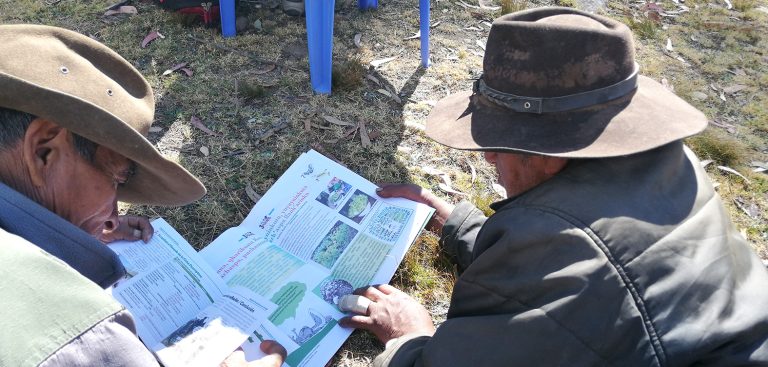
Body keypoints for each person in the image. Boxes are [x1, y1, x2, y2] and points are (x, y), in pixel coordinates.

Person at [339, 7, 768, 366]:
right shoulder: (671, 164)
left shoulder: (572, 255)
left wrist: (409, 337)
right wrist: (461, 225)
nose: (488, 157)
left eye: (498, 142)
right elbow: (581, 271)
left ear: (549, 151)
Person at [0, 24, 284, 366]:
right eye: (116, 179)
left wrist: (68, 232)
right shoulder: (80, 340)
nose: (113, 214)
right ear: (44, 150)